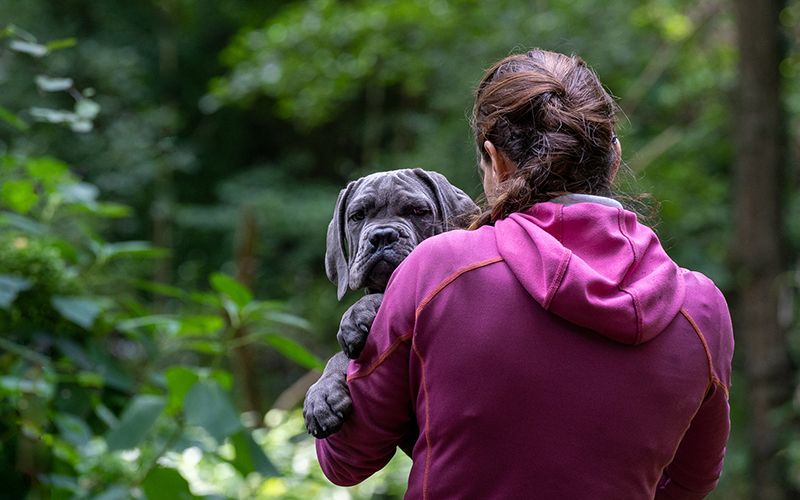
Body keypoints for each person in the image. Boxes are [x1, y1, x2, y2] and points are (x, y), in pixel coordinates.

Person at [314, 49, 734, 499]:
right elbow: (691, 482)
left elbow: (346, 459)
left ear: (495, 161)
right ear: (613, 158)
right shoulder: (701, 307)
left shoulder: (438, 271)